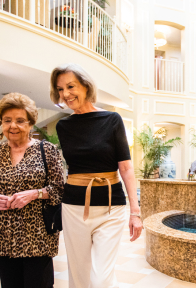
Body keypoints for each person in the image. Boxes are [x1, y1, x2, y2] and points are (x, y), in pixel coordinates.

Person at [50, 63, 143, 288]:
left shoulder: (112, 119)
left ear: (86, 85)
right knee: (79, 275)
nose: (66, 94)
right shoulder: (63, 125)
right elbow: (72, 166)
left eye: (71, 86)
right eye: (60, 89)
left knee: (102, 278)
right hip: (74, 207)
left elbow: (126, 168)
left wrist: (135, 212)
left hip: (111, 206)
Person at [0, 93, 65, 288]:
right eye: (7, 120)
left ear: (30, 123)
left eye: (20, 120)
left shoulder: (46, 150)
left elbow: (60, 190)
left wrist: (34, 194)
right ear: (1, 123)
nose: (13, 125)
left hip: (37, 237)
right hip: (0, 236)